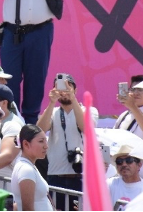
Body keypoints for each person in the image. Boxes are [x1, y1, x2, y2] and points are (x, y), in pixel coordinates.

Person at [36, 74, 99, 210]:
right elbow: (39, 130)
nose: (64, 91)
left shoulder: (89, 110)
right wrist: (51, 102)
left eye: (68, 87)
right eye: (60, 87)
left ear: (75, 90)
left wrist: (73, 99)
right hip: (55, 175)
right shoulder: (52, 111)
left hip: (80, 176)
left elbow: (86, 128)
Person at [10, 124, 53, 211]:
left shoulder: (28, 166)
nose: (46, 146)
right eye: (41, 141)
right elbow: (27, 208)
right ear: (26, 144)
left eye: (46, 141)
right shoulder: (26, 169)